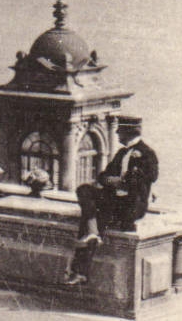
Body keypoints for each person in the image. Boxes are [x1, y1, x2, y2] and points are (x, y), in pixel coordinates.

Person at [66, 118, 160, 285]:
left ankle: (81, 268)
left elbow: (151, 177)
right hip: (115, 200)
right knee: (84, 190)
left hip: (131, 205)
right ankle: (93, 233)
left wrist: (122, 181)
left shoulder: (147, 153)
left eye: (119, 132)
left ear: (128, 133)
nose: (116, 135)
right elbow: (102, 176)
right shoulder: (121, 153)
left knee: (90, 218)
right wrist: (111, 180)